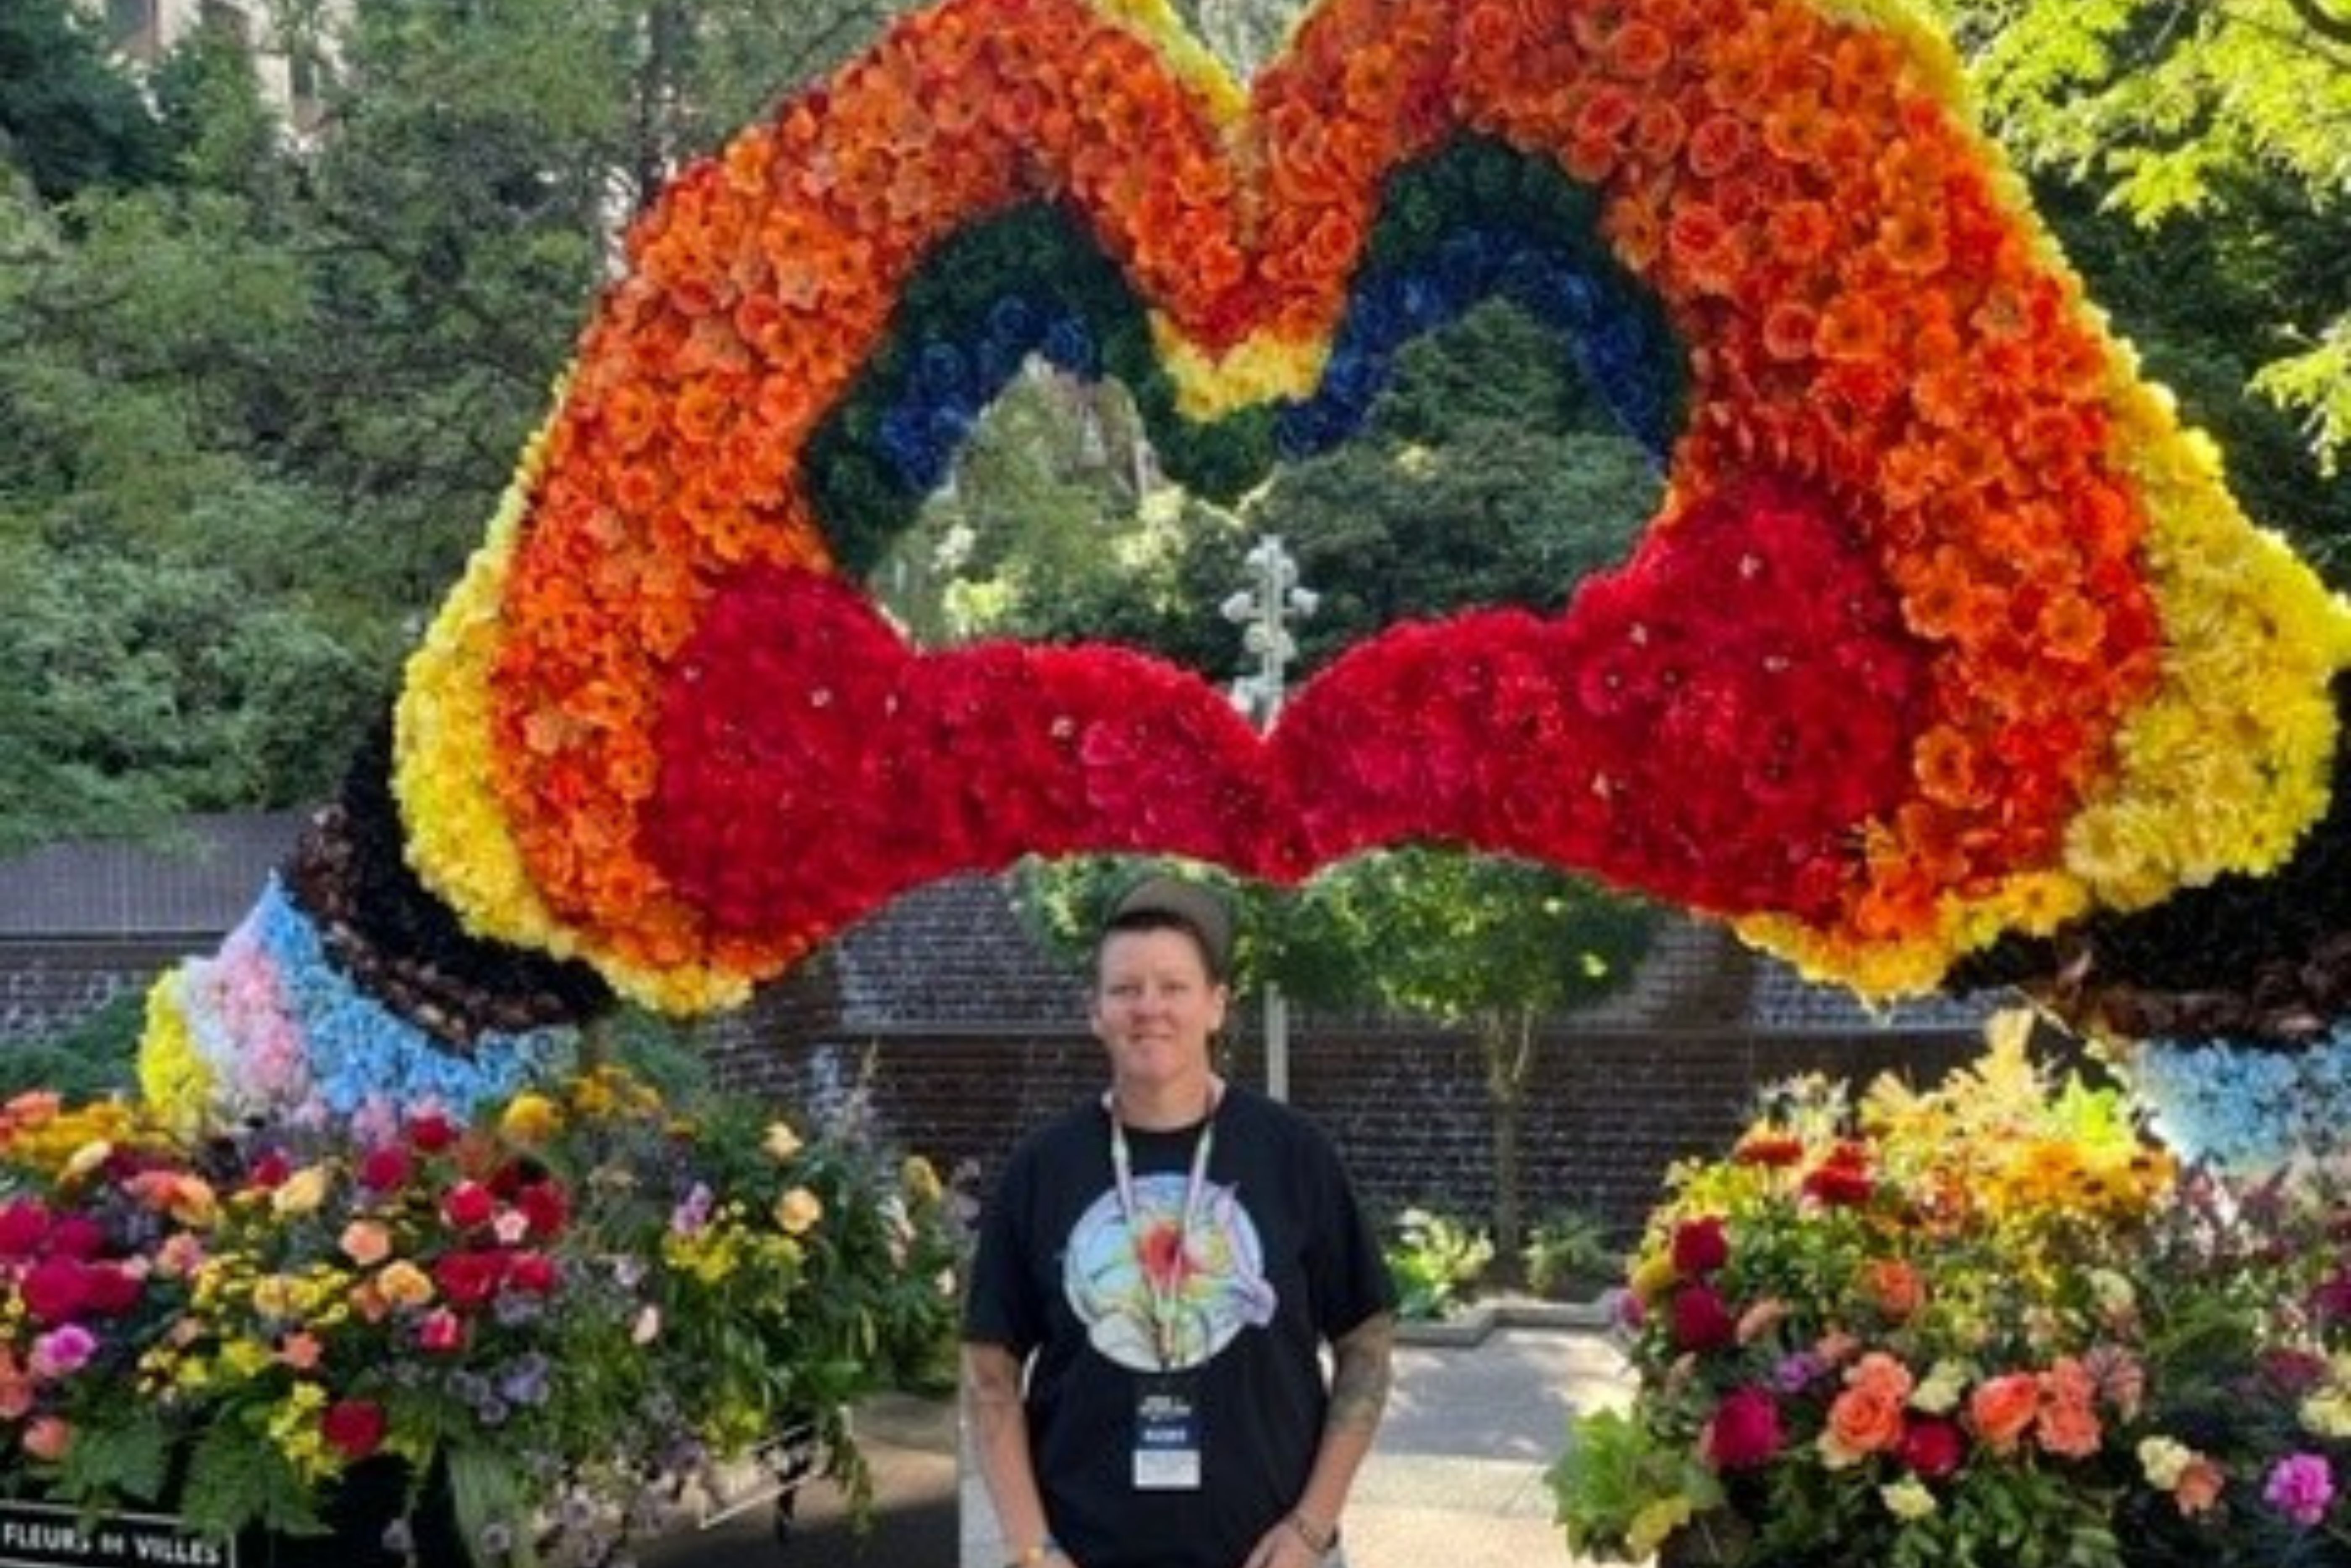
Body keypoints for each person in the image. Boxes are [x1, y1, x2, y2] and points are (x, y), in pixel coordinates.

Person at [963, 874, 1396, 1568]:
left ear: (1217, 1005)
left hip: (1271, 1555)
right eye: (1125, 989)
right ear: (1095, 1011)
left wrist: (1314, 1527)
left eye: (1173, 987)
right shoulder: (1042, 1170)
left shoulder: (1294, 1155)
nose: (1149, 1008)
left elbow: (1367, 1347)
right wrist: (1030, 1548)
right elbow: (989, 1373)